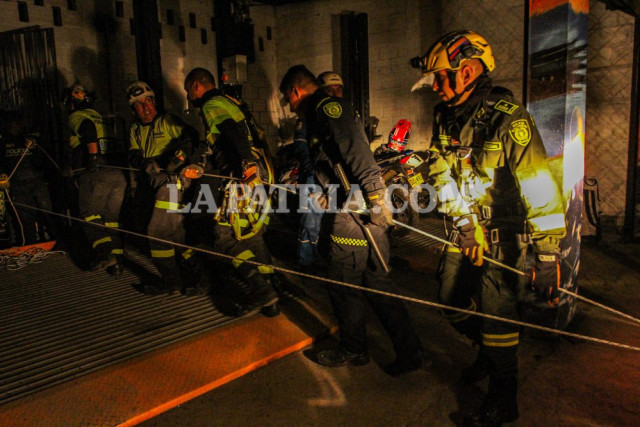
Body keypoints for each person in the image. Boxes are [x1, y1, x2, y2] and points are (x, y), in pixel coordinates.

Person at [412, 30, 566, 425]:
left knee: (499, 317)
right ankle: (490, 351)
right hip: (468, 230)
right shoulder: (445, 115)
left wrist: (547, 254)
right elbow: (439, 168)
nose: (435, 86)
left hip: (506, 237)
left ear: (468, 71)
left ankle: (503, 399)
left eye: (441, 76)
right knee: (450, 299)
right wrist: (464, 224)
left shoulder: (508, 118)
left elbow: (538, 184)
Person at [279, 65, 424, 375]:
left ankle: (354, 349)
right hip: (356, 205)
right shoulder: (321, 114)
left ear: (295, 92)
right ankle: (410, 351)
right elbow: (338, 163)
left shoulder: (326, 109)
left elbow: (357, 152)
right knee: (377, 282)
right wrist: (325, 192)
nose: (289, 106)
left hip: (355, 213)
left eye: (287, 99)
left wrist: (374, 197)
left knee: (342, 281)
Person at [183, 67, 279, 315]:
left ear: (195, 86)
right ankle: (272, 296)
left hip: (242, 175)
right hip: (259, 172)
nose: (188, 98)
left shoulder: (211, 104)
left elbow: (232, 131)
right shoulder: (232, 100)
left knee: (224, 237)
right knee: (254, 235)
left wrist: (245, 165)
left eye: (187, 91)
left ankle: (262, 291)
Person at [126, 81, 205, 296]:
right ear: (133, 109)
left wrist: (176, 158)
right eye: (139, 105)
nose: (146, 108)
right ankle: (201, 277)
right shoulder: (134, 130)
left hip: (171, 183)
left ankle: (172, 282)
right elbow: (132, 154)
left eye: (148, 102)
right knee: (176, 235)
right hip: (152, 184)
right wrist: (144, 163)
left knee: (157, 233)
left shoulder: (168, 121)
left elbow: (191, 139)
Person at [63, 84, 127, 275]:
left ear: (73, 103)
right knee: (112, 220)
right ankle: (118, 260)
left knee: (89, 215)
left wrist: (91, 158)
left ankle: (105, 254)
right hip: (116, 173)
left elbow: (87, 129)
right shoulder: (101, 118)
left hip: (95, 172)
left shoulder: (77, 117)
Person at [0, 110, 56, 245]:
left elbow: (44, 162)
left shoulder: (30, 140)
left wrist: (36, 148)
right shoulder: (2, 144)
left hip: (37, 183)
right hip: (17, 186)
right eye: (10, 124)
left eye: (16, 124)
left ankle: (56, 243)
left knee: (48, 213)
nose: (14, 127)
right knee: (25, 219)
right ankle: (29, 246)